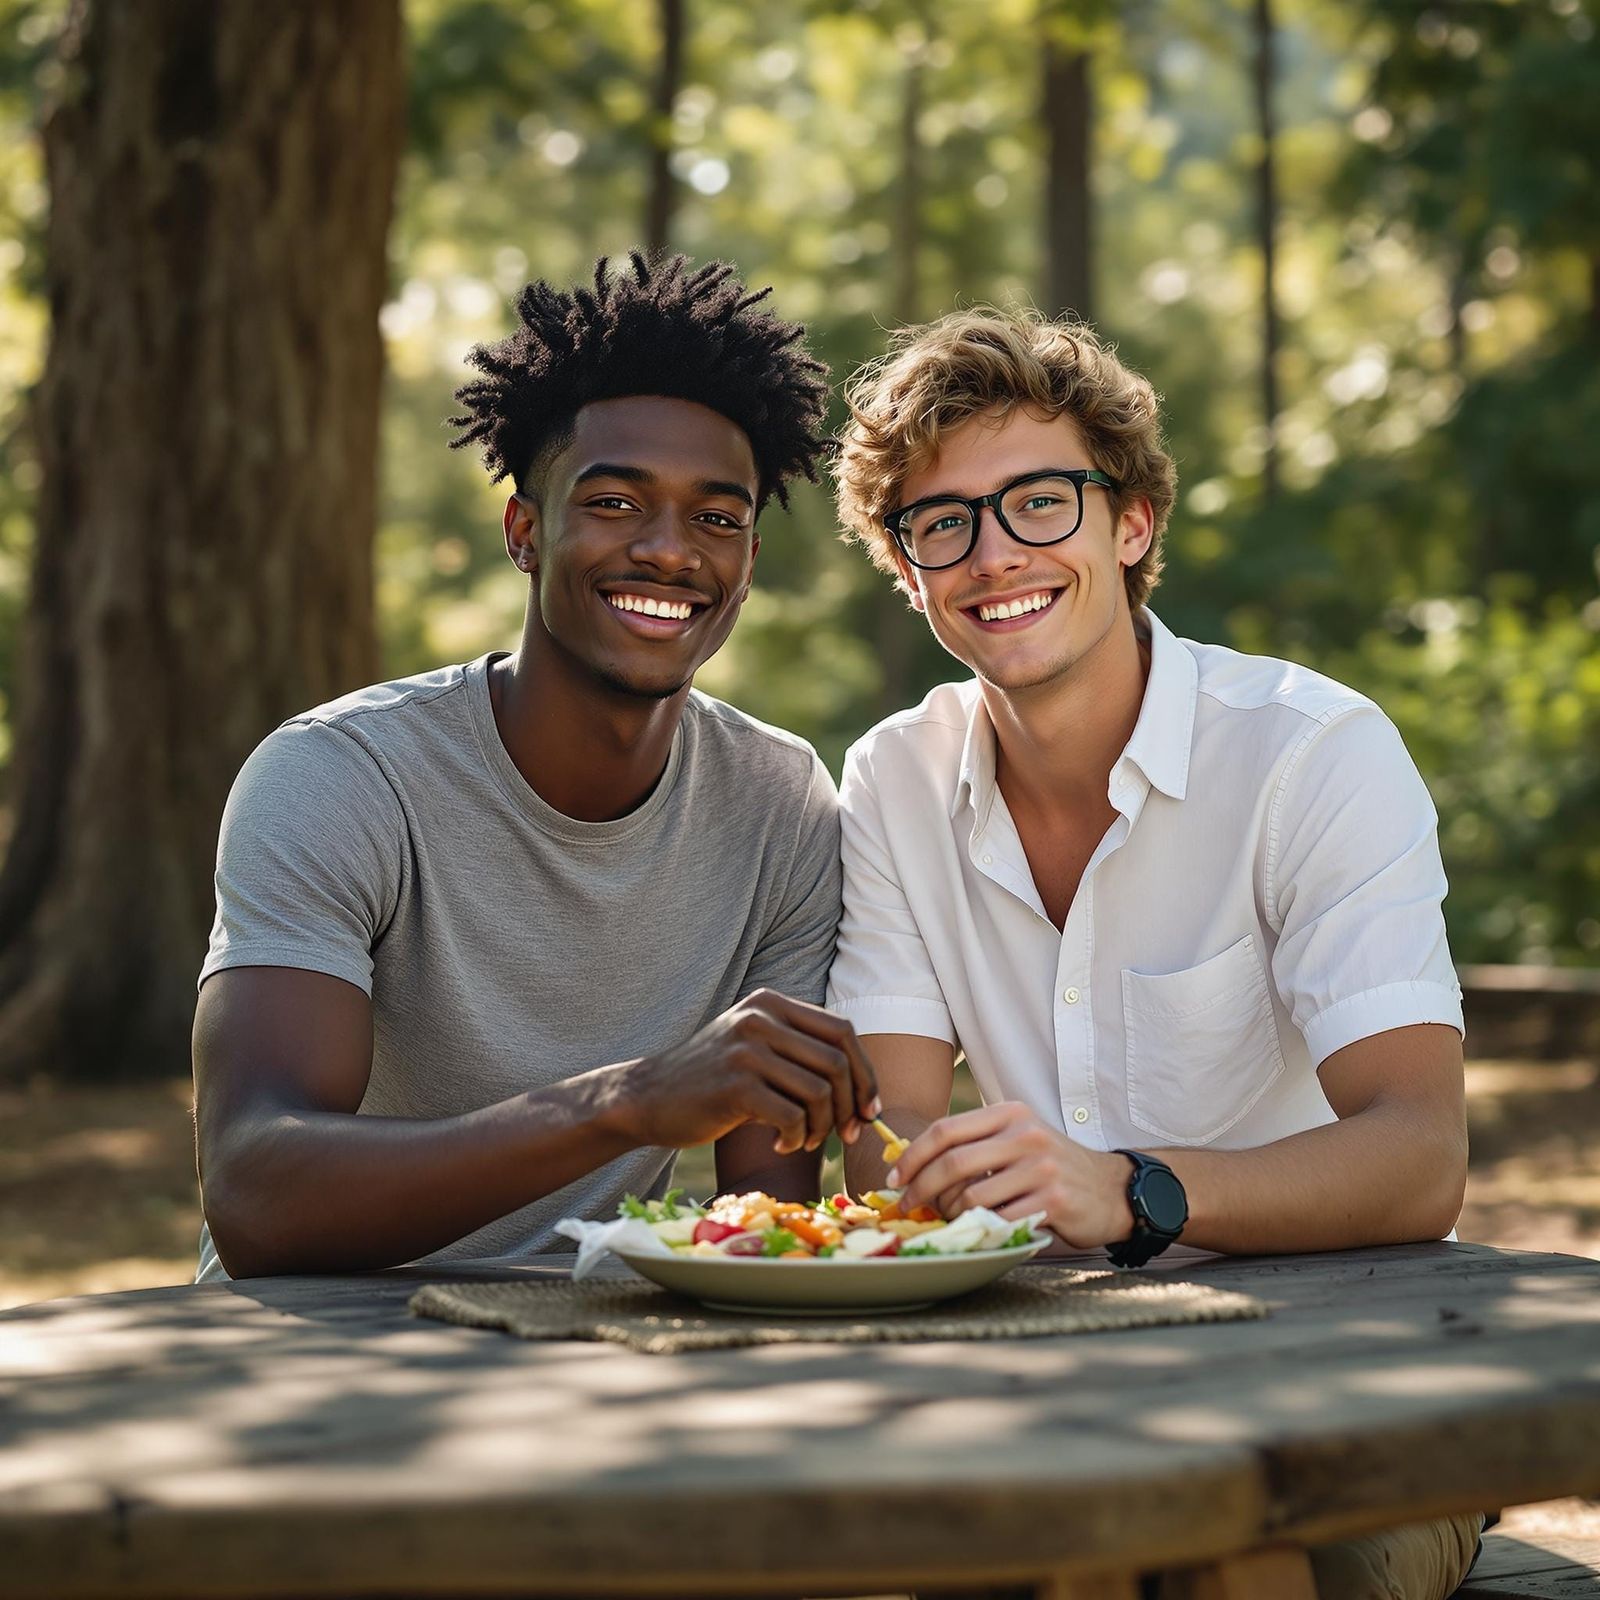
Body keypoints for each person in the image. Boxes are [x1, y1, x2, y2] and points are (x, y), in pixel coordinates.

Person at [826, 306, 1482, 1599]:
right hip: (1040, 1388)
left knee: (1207, 1543)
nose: (992, 552)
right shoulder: (896, 776)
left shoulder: (1310, 753)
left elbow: (1420, 1157)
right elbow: (883, 1129)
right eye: (941, 523)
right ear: (907, 570)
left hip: (1347, 1399)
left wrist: (1133, 1193)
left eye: (1040, 503)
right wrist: (936, 1180)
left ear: (1130, 523)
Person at [192, 254, 879, 1282]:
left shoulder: (779, 803)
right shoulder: (337, 777)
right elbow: (255, 1192)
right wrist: (629, 1102)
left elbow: (762, 1226)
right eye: (613, 503)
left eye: (717, 517)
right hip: (323, 1358)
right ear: (525, 529)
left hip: (598, 1358)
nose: (668, 550)